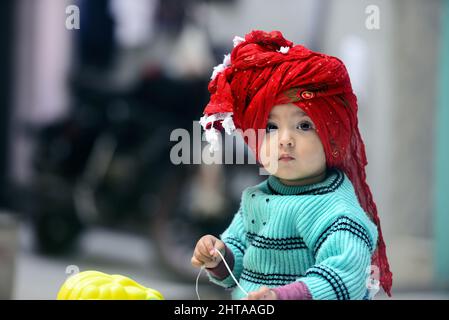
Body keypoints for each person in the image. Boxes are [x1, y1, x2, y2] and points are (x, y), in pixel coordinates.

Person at [191, 30, 393, 300]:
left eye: (304, 125)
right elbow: (236, 265)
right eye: (271, 127)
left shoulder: (338, 212)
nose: (285, 140)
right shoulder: (258, 197)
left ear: (332, 138)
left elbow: (345, 278)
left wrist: (282, 296)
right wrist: (218, 255)